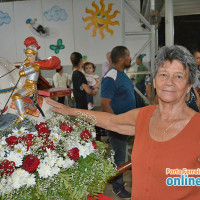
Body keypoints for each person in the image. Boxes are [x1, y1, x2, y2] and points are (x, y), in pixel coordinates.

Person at [47, 45, 200, 200]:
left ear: (189, 86)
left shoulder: (197, 127)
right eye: (164, 74)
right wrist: (71, 111)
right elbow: (110, 121)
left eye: (179, 76)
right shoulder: (144, 116)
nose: (169, 82)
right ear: (154, 81)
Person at [101, 46, 136, 199]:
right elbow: (104, 103)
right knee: (119, 157)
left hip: (127, 124)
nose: (130, 58)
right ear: (121, 59)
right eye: (128, 56)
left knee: (121, 154)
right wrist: (116, 124)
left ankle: (115, 179)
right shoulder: (111, 77)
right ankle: (118, 187)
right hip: (118, 125)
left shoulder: (122, 74)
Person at [11, 36, 61, 124]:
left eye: (30, 56)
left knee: (16, 96)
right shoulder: (29, 63)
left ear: (34, 55)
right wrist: (24, 63)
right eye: (27, 56)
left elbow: (22, 73)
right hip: (25, 85)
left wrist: (24, 64)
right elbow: (20, 71)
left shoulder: (35, 66)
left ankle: (22, 114)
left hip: (31, 87)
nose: (28, 58)